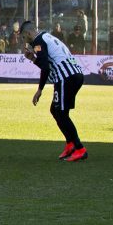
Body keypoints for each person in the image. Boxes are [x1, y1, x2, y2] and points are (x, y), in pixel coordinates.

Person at [20, 21, 87, 161]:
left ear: (28, 33)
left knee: (61, 113)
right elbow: (46, 63)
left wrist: (40, 89)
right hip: (74, 74)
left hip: (66, 76)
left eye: (23, 37)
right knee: (56, 110)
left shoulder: (37, 42)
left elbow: (46, 68)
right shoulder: (45, 36)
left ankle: (79, 148)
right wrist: (32, 58)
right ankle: (70, 144)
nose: (24, 41)